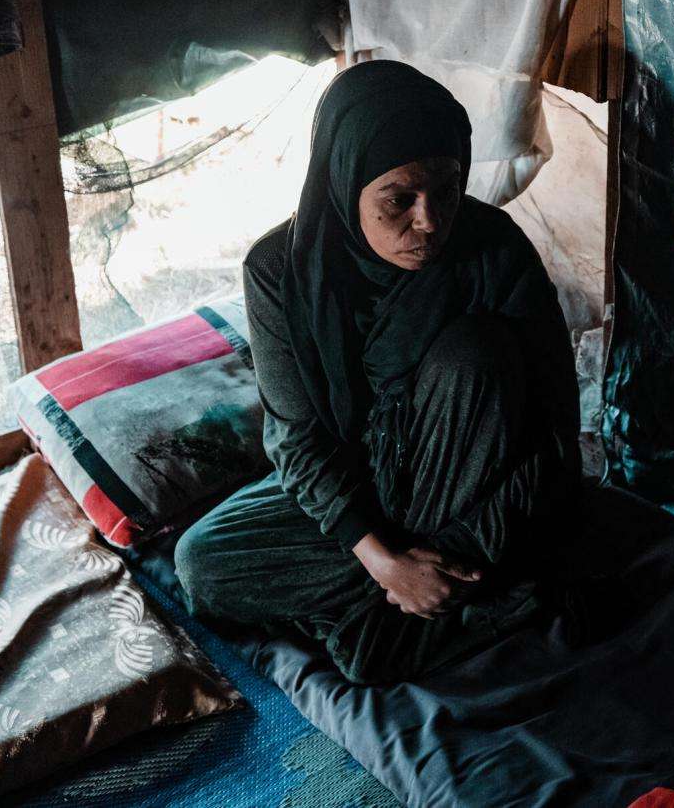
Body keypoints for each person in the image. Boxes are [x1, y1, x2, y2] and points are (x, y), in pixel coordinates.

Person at [174, 60, 579, 685]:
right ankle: (449, 599)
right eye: (400, 198)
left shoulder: (493, 250)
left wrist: (478, 538)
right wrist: (384, 562)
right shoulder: (280, 274)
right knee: (202, 563)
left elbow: (551, 435)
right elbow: (298, 440)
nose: (431, 221)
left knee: (476, 354)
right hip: (360, 491)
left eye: (447, 189)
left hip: (467, 485)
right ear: (344, 181)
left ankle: (412, 605)